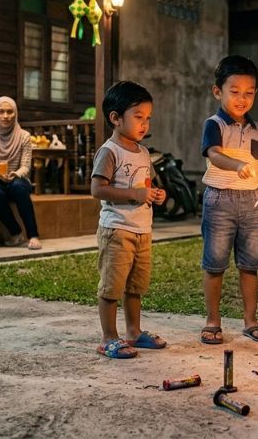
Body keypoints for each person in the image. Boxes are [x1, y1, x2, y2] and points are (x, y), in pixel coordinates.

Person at [199, 55, 258, 345]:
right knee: (215, 263)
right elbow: (214, 154)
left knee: (250, 264)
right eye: (234, 92)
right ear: (217, 91)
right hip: (219, 200)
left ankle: (251, 321)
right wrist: (236, 166)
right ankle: (212, 321)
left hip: (250, 204)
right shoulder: (215, 124)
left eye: (249, 92)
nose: (242, 99)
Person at [91, 81, 167, 359]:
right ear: (115, 117)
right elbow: (98, 189)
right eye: (138, 117)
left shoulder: (144, 152)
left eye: (147, 118)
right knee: (112, 286)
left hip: (141, 230)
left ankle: (133, 332)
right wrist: (135, 193)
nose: (144, 124)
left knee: (135, 286)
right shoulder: (109, 151)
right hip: (117, 229)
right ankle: (109, 337)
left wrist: (154, 194)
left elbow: (142, 185)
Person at [0, 96, 41, 250]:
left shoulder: (24, 136)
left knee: (19, 187)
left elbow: (25, 167)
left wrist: (15, 174)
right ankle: (15, 233)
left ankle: (33, 235)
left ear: (15, 114)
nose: (5, 116)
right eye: (1, 111)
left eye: (10, 112)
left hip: (16, 179)